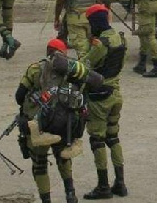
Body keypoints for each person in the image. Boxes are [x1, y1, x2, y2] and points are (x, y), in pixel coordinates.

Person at [15, 39, 103, 203]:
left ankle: (46, 200)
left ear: (48, 51)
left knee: (40, 164)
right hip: (65, 124)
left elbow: (19, 96)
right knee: (63, 158)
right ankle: (70, 194)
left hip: (39, 127)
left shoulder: (35, 68)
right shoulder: (73, 72)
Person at [80, 4, 128, 200]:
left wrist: (89, 48)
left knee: (97, 140)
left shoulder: (101, 44)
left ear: (95, 22)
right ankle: (120, 183)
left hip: (100, 98)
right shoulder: (120, 39)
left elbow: (84, 65)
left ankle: (103, 186)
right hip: (116, 93)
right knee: (113, 138)